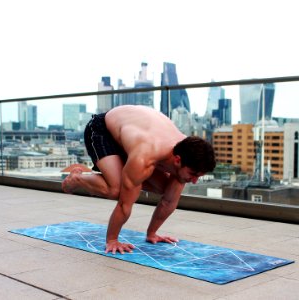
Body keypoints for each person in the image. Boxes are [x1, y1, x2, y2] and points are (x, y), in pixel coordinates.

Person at [62, 105, 216, 254]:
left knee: (168, 188)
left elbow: (169, 201)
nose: (194, 181)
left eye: (198, 176)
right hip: (103, 129)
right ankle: (77, 179)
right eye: (193, 174)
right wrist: (112, 240)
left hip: (132, 134)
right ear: (177, 160)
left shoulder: (188, 152)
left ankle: (125, 176)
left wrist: (152, 234)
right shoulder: (145, 158)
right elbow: (124, 204)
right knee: (116, 189)